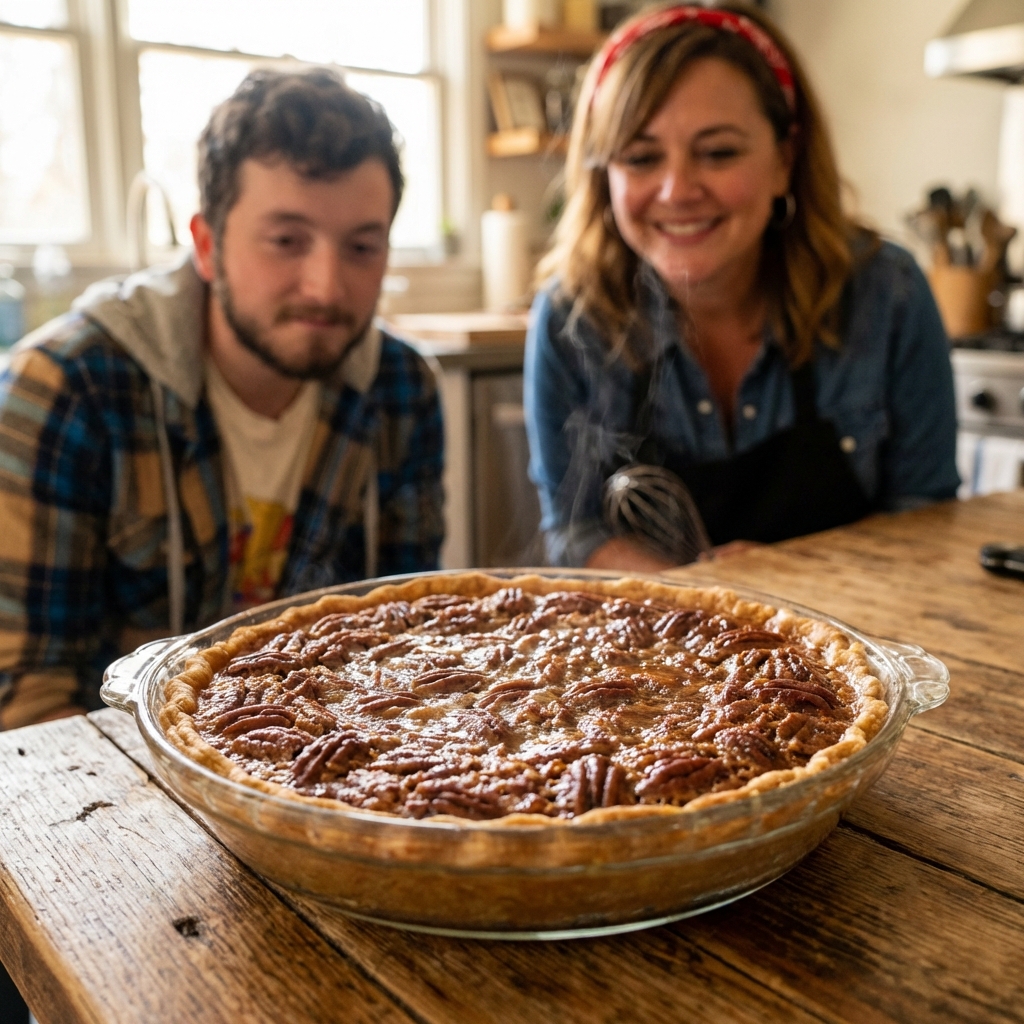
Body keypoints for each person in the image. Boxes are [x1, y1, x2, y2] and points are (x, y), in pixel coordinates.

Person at [0, 68, 444, 729]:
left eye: (361, 246)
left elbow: (409, 644)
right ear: (206, 245)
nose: (326, 286)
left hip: (331, 773)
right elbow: (26, 705)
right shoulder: (67, 389)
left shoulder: (401, 390)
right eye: (286, 241)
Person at [524, 3, 959, 572]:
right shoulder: (569, 317)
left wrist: (803, 578)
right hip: (662, 646)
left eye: (719, 152)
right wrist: (710, 604)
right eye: (641, 157)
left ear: (785, 159)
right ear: (604, 176)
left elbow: (924, 516)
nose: (677, 190)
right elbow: (577, 530)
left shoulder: (888, 295)